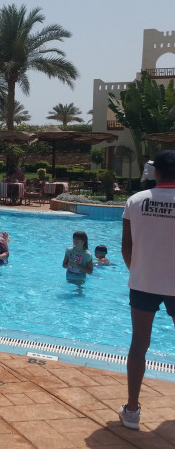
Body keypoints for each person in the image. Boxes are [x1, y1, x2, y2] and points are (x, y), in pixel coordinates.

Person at [119, 149, 175, 430]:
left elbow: (126, 246)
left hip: (143, 283)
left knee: (139, 344)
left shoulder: (135, 200)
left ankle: (132, 411)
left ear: (156, 172)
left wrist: (139, 272)